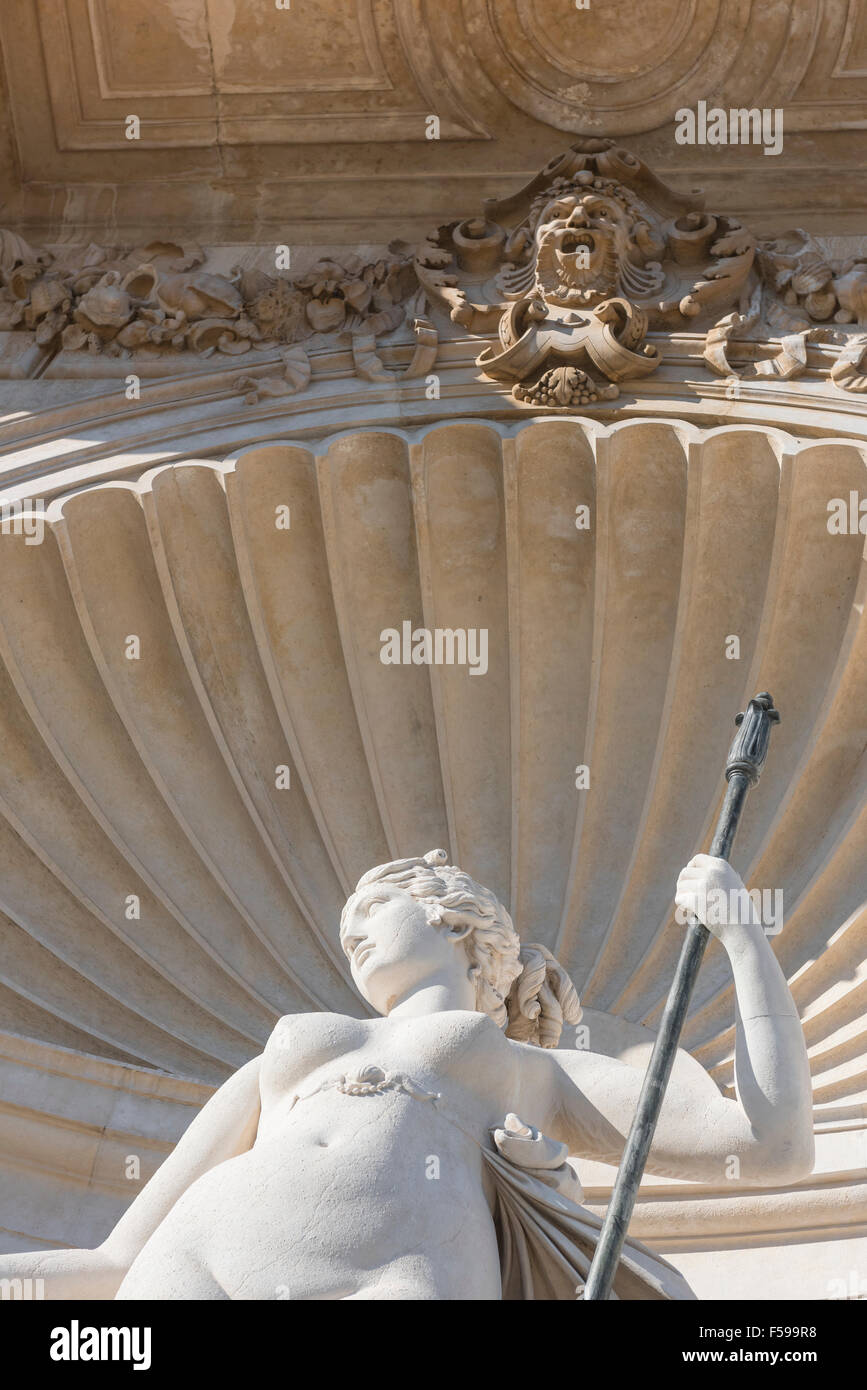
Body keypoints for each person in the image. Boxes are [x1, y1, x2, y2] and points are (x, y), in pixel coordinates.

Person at [0, 849, 813, 1300]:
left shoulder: (524, 1066)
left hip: (396, 1277)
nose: (348, 933)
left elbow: (768, 1145)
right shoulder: (285, 1055)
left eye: (370, 909)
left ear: (449, 915)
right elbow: (114, 1258)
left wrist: (741, 936)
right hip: (188, 1262)